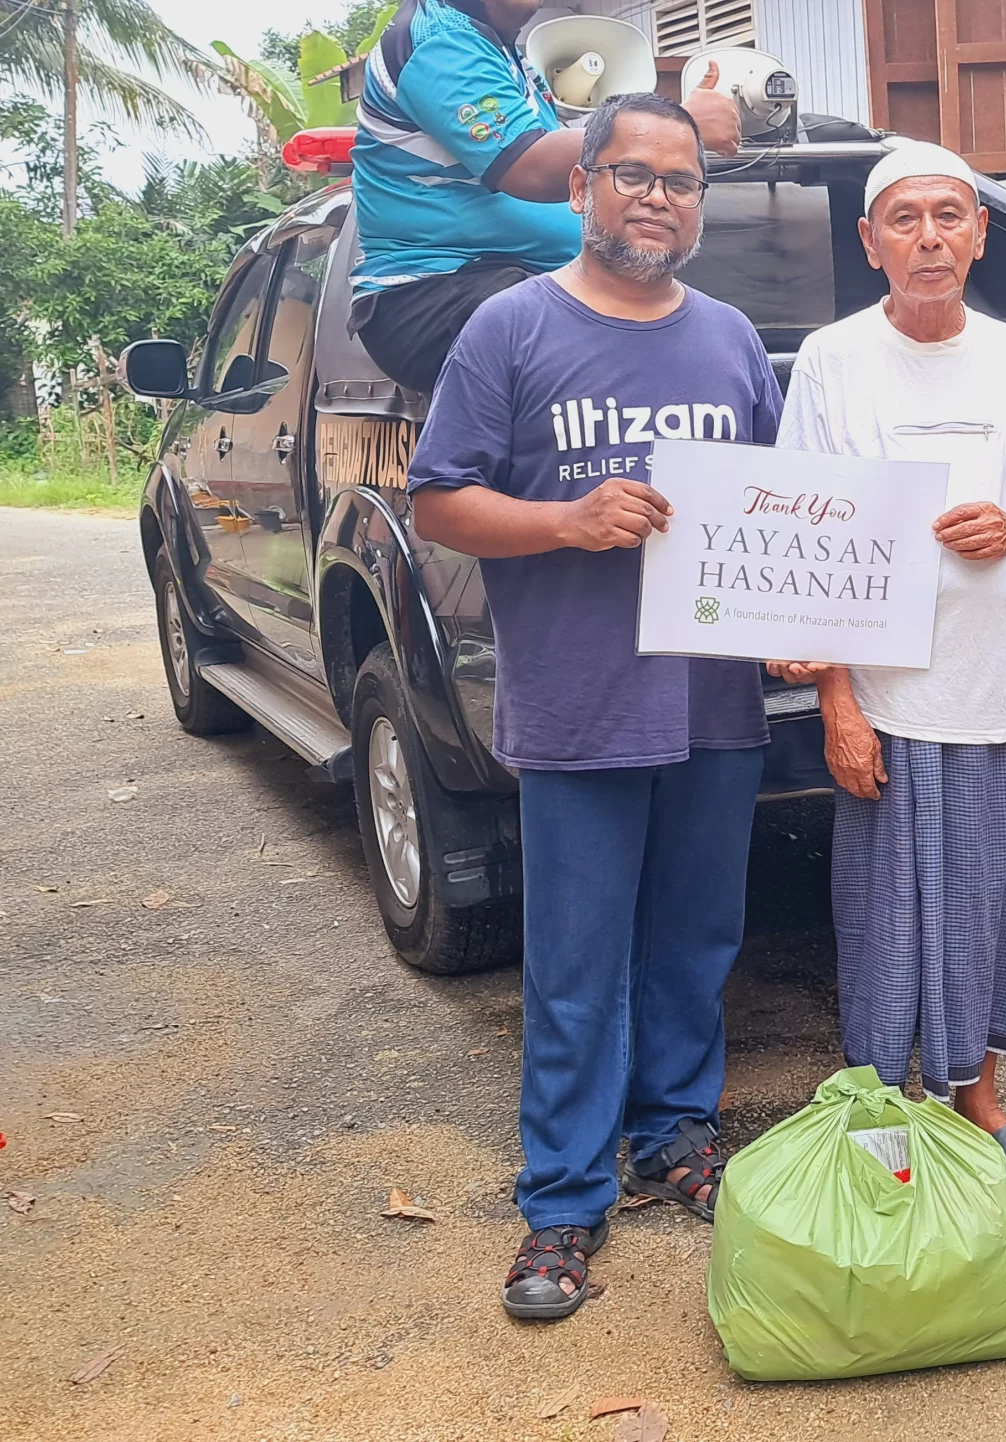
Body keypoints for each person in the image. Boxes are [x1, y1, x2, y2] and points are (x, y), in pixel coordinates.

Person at [405, 92, 781, 1322]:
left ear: (698, 204)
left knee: (694, 939)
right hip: (579, 701)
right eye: (630, 173)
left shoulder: (729, 337)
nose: (655, 196)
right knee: (575, 963)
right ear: (582, 188)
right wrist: (565, 520)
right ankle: (562, 1199)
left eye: (679, 179)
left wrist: (807, 636)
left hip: (713, 699)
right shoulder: (510, 329)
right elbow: (441, 501)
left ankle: (674, 1134)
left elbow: (781, 514)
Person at [774, 141, 1006, 1191]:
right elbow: (807, 539)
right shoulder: (831, 360)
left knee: (993, 902)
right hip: (886, 693)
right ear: (870, 243)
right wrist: (836, 698)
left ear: (979, 234)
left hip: (992, 683)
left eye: (948, 215)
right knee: (882, 914)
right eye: (904, 218)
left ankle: (979, 1095)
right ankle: (880, 1107)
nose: (928, 236)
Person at [348, 0, 740, 394]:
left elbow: (581, 158)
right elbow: (527, 165)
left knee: (698, 329)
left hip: (509, 280)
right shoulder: (438, 41)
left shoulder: (502, 54)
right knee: (597, 350)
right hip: (435, 290)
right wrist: (678, 125)